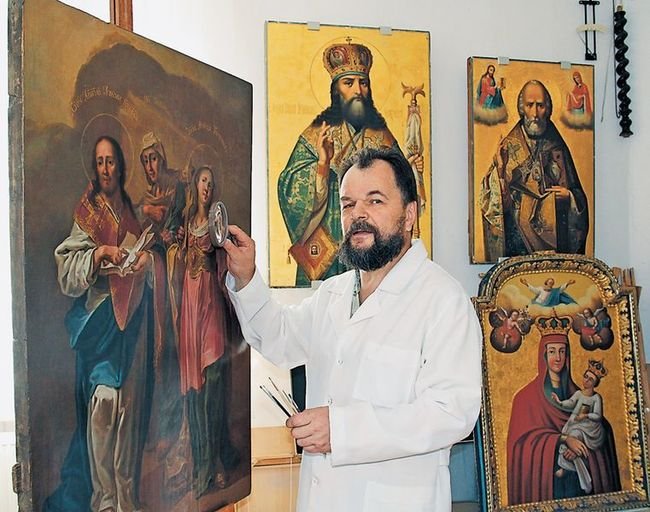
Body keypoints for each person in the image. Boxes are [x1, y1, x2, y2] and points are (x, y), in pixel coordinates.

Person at [225, 147, 482, 511]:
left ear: (410, 214)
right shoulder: (333, 292)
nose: (358, 215)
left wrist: (342, 430)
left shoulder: (443, 300)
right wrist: (247, 276)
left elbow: (452, 413)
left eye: (375, 201)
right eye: (348, 204)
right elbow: (279, 338)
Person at [45, 136, 155, 512]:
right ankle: (104, 500)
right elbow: (66, 269)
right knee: (104, 406)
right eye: (100, 162)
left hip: (130, 322)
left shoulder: (129, 211)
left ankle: (124, 498)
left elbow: (144, 256)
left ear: (120, 165)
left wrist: (143, 264)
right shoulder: (88, 211)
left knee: (127, 412)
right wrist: (99, 254)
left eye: (111, 161)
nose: (106, 168)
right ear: (94, 167)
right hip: (99, 325)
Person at [278, 41, 405, 286]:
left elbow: (403, 189)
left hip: (372, 245)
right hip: (328, 251)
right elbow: (288, 189)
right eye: (349, 83)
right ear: (336, 90)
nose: (358, 90)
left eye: (363, 83)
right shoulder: (317, 134)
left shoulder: (383, 137)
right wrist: (322, 166)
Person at [176, 166, 240, 497]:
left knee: (213, 381)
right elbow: (177, 259)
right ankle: (202, 463)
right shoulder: (187, 222)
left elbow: (224, 263)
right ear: (195, 185)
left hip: (210, 302)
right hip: (190, 302)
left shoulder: (217, 224)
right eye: (203, 182)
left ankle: (215, 460)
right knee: (196, 389)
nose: (207, 188)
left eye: (211, 184)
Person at [507, 328, 620, 505]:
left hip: (579, 488)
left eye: (562, 351)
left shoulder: (581, 395)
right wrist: (564, 439)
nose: (558, 358)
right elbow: (521, 444)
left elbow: (600, 429)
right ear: (543, 355)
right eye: (552, 351)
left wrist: (580, 444)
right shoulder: (525, 398)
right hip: (548, 484)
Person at [480, 80, 589, 261]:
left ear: (548, 108)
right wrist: (500, 171)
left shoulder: (557, 146)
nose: (535, 113)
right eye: (530, 105)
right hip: (519, 245)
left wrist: (569, 197)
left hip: (554, 245)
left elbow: (578, 196)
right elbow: (493, 203)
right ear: (521, 108)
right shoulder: (509, 146)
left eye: (540, 106)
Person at [551, 359, 608, 493]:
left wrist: (586, 416)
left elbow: (598, 416)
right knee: (567, 436)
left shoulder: (596, 398)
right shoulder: (578, 394)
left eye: (590, 379)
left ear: (595, 383)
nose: (586, 380)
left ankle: (565, 468)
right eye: (585, 376)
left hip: (590, 428)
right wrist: (559, 402)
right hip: (576, 423)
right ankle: (573, 471)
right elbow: (570, 403)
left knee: (573, 435)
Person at [136, 131, 186, 250]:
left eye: (153, 159)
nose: (149, 168)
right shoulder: (150, 194)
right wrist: (147, 210)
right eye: (146, 161)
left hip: (170, 252)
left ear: (162, 159)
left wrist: (172, 235)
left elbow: (179, 221)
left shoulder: (177, 187)